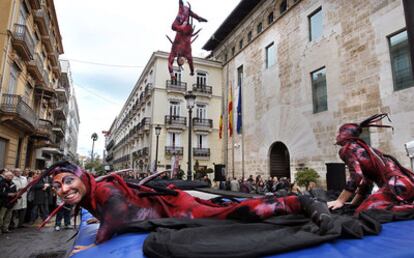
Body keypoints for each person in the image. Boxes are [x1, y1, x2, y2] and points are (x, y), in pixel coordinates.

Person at [12, 161, 332, 252]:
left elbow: (118, 215)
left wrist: (97, 240)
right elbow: (107, 213)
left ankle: (297, 201)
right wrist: (99, 224)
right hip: (170, 206)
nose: (63, 190)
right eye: (57, 187)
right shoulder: (94, 192)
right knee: (227, 205)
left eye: (67, 181)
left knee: (231, 212)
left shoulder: (105, 190)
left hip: (178, 208)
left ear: (81, 177)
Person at [328, 114, 414, 214]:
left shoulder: (348, 149)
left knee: (368, 212)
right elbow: (366, 182)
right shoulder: (362, 149)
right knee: (361, 210)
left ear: (345, 135)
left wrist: (340, 200)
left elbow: (356, 175)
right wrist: (353, 204)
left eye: (339, 132)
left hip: (396, 187)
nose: (337, 135)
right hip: (403, 185)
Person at [167, 0, 207, 80]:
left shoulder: (174, 51)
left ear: (178, 59)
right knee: (186, 12)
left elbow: (169, 63)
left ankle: (183, 6)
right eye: (183, 62)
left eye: (180, 62)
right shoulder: (187, 54)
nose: (182, 61)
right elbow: (191, 63)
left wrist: (172, 74)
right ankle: (195, 18)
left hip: (181, 25)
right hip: (187, 28)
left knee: (174, 26)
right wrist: (192, 71)